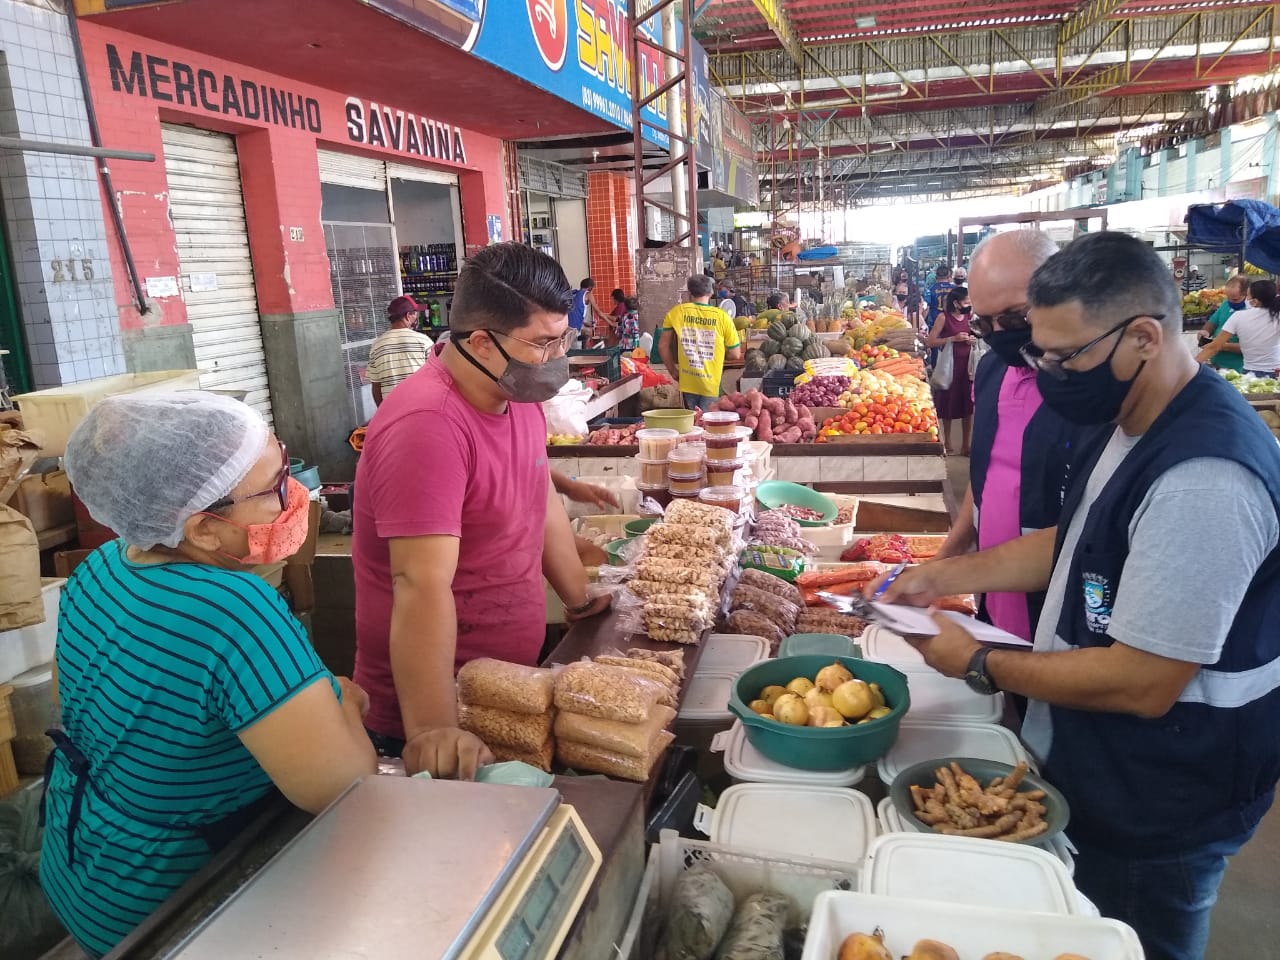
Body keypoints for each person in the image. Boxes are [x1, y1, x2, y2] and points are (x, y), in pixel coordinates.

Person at [873, 231, 1280, 960]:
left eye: (1064, 358)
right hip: (1101, 765)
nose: (1045, 373)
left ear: (1145, 338)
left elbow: (1144, 679)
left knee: (1132, 938)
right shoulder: (1128, 418)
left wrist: (978, 663)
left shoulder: (1205, 478)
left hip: (1163, 795)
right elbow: (1075, 539)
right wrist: (946, 574)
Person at [43, 393, 376, 957]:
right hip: (178, 904)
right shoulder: (234, 610)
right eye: (275, 488)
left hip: (84, 872)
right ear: (203, 530)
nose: (295, 496)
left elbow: (89, 712)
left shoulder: (102, 567)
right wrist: (344, 701)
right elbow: (343, 786)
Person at [352, 243, 610, 780]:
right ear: (480, 343)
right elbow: (419, 584)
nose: (555, 358)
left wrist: (579, 602)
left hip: (509, 688)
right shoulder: (428, 424)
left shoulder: (516, 400)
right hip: (442, 710)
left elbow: (537, 502)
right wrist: (433, 733)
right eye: (542, 344)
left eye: (561, 338)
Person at [933, 230, 1098, 644]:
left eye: (1011, 318)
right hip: (996, 599)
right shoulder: (991, 372)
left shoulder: (1090, 391)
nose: (996, 333)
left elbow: (1089, 533)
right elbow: (986, 475)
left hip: (1065, 611)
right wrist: (951, 550)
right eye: (982, 323)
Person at [659, 274, 743, 412]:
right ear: (710, 292)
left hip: (687, 380)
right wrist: (721, 354)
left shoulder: (675, 313)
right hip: (711, 382)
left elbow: (663, 346)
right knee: (708, 424)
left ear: (690, 292)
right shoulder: (722, 317)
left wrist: (673, 371)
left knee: (693, 423)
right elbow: (735, 354)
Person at [926, 285, 975, 456]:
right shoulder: (943, 317)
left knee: (968, 406)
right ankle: (947, 442)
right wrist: (952, 339)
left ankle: (966, 445)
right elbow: (930, 341)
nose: (969, 304)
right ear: (956, 303)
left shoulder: (970, 316)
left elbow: (981, 335)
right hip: (949, 366)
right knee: (947, 403)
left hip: (967, 366)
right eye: (966, 302)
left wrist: (974, 339)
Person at [1196, 278, 1280, 376]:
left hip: (1250, 374)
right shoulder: (1277, 316)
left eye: (1247, 296)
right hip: (1276, 372)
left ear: (1255, 301)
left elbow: (1213, 347)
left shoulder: (1239, 316)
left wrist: (1191, 368)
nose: (1246, 299)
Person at [367, 295, 433, 407]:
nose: (417, 318)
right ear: (408, 316)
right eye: (415, 314)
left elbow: (376, 386)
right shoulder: (423, 341)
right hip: (420, 407)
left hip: (392, 410)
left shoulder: (377, 345)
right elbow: (434, 377)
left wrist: (383, 411)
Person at [1197, 274, 1250, 372]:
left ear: (1246, 294)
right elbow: (1212, 323)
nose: (1231, 302)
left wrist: (1221, 346)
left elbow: (1249, 347)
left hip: (1239, 368)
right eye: (1228, 298)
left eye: (1235, 299)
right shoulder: (1225, 304)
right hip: (1217, 363)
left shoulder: (1250, 312)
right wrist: (1205, 332)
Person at [568, 278, 601, 346]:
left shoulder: (574, 294)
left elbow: (574, 313)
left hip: (566, 327)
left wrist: (584, 323)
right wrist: (611, 323)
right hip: (574, 330)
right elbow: (599, 312)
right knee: (576, 353)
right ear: (590, 288)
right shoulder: (588, 294)